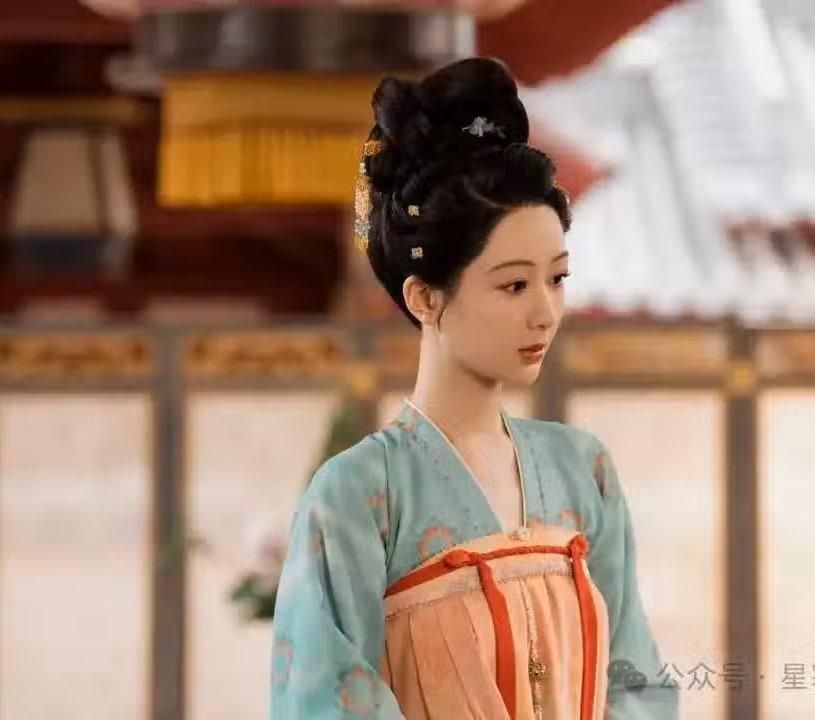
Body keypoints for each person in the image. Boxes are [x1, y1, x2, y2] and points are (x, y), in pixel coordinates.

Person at [270, 57, 677, 719]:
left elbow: (637, 683)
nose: (545, 312)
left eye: (557, 279)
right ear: (425, 297)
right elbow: (323, 700)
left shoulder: (585, 472)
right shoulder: (359, 495)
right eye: (514, 284)